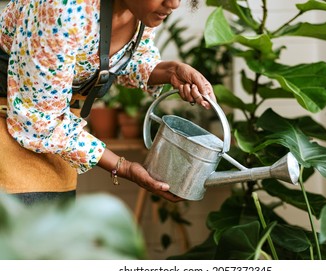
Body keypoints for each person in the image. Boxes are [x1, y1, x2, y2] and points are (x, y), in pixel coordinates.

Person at [0, 0, 216, 204]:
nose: (173, 3)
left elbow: (128, 60)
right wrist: (124, 167)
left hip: (53, 137)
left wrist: (171, 71)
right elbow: (39, 121)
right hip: (12, 127)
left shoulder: (138, 10)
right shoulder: (63, 8)